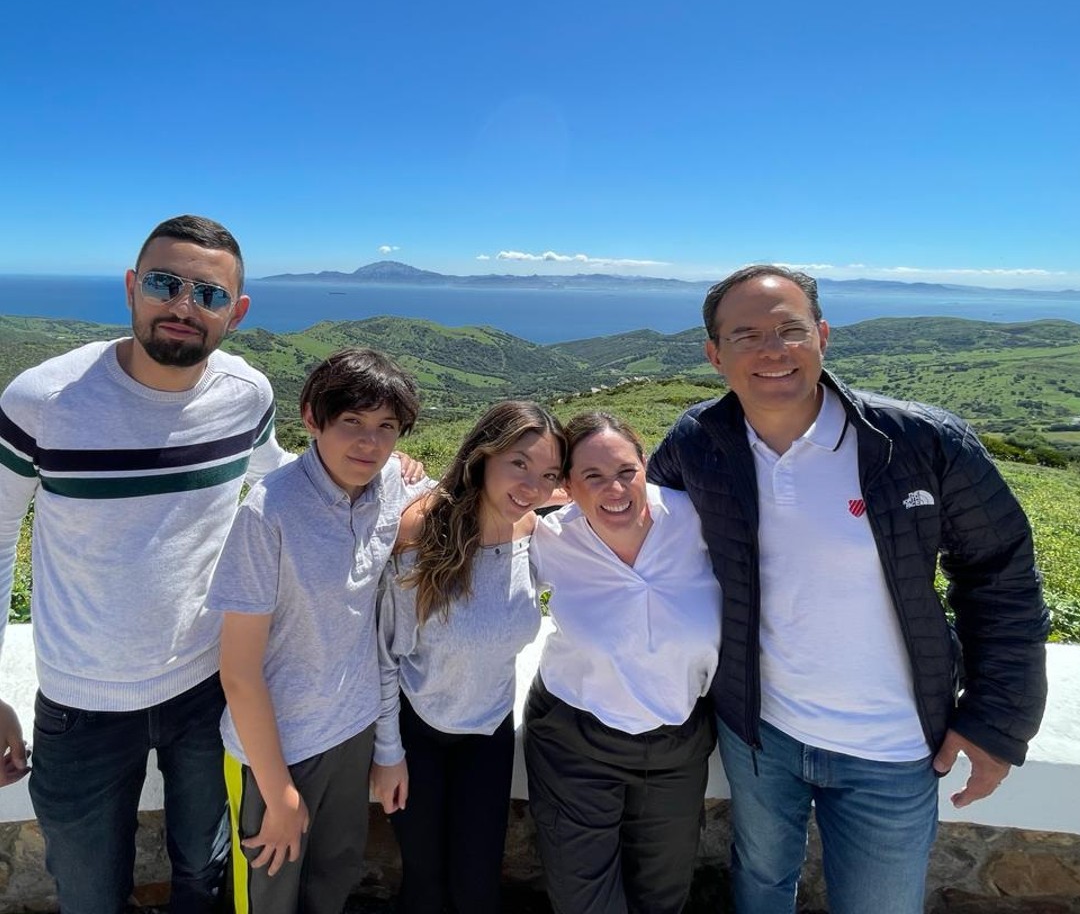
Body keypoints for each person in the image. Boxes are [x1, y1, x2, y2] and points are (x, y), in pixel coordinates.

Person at [646, 264, 1050, 914]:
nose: (773, 350)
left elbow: (999, 575)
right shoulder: (699, 443)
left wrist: (997, 721)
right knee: (760, 888)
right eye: (746, 335)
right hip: (759, 734)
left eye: (790, 330)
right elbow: (636, 523)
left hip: (894, 749)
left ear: (823, 336)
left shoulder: (919, 442)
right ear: (715, 355)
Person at [0, 215, 293, 913]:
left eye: (209, 294)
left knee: (206, 880)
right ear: (132, 287)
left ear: (236, 313)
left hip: (209, 689)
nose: (184, 306)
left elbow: (279, 483)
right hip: (81, 705)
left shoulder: (247, 395)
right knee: (90, 896)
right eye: (165, 284)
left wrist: (396, 482)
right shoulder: (44, 401)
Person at [208, 347, 423, 914]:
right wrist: (278, 793)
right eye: (351, 421)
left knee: (333, 883)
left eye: (386, 427)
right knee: (267, 898)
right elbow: (239, 672)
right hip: (273, 748)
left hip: (351, 732)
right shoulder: (268, 512)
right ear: (311, 418)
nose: (369, 443)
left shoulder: (389, 484)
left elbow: (460, 501)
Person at [371, 400, 565, 914]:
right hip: (418, 731)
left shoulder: (536, 535)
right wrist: (388, 753)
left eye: (548, 474)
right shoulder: (422, 530)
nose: (532, 486)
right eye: (518, 463)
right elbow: (388, 651)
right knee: (425, 887)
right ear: (483, 455)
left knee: (478, 888)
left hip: (490, 731)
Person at [524, 411, 722, 914]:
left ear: (645, 465)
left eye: (625, 471)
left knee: (663, 895)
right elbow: (466, 518)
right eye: (592, 476)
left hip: (677, 740)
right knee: (585, 901)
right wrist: (405, 474)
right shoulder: (549, 539)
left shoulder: (697, 518)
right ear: (567, 485)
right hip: (575, 740)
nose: (614, 489)